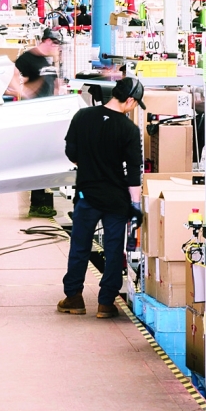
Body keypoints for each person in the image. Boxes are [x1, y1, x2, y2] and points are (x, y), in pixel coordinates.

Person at [58, 76, 145, 319]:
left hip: (87, 196)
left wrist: (88, 165)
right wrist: (135, 205)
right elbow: (134, 172)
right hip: (116, 200)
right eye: (136, 103)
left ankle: (74, 298)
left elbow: (70, 151)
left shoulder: (82, 117)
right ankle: (106, 303)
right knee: (114, 249)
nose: (135, 107)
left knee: (80, 247)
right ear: (129, 100)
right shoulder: (129, 130)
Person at [11, 28, 64, 219]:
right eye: (57, 44)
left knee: (45, 158)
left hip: (48, 115)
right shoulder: (27, 58)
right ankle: (37, 203)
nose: (58, 49)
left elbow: (54, 84)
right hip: (34, 116)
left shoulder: (47, 61)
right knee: (38, 158)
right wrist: (24, 92)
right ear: (49, 41)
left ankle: (40, 200)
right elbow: (11, 77)